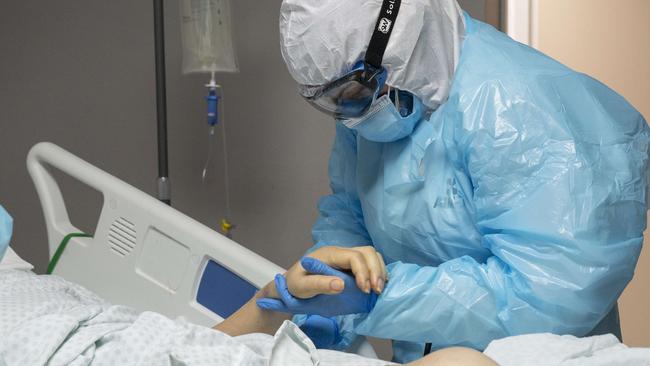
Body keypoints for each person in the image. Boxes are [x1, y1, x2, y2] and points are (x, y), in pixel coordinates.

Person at [258, 0, 650, 363]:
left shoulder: (520, 105)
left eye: (353, 92)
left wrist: (378, 297)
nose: (348, 111)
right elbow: (349, 214)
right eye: (332, 100)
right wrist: (334, 286)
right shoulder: (373, 109)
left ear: (399, 40)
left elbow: (553, 290)